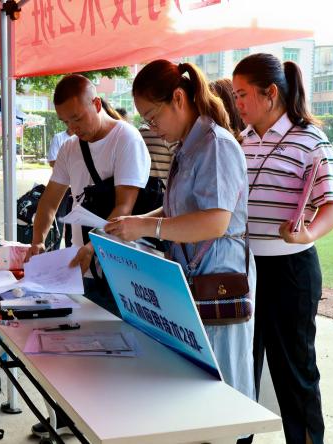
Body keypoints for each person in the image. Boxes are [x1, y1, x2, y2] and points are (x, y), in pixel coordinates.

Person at [105, 61, 257, 435]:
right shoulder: (189, 145)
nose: (152, 128)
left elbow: (215, 221)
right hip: (193, 275)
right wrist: (135, 223)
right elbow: (178, 209)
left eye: (153, 117)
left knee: (222, 384)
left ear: (178, 98)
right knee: (196, 382)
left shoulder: (215, 145)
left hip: (217, 278)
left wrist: (147, 226)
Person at [25, 74, 150, 439]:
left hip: (122, 267)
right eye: (65, 121)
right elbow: (49, 202)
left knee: (118, 353)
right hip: (82, 268)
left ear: (96, 103)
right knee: (79, 347)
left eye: (77, 118)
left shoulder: (126, 139)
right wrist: (37, 242)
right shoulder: (69, 148)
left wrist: (96, 244)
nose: (73, 128)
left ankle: (116, 426)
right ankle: (71, 417)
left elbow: (125, 207)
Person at [232, 53, 333, 444]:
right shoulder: (241, 141)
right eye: (235, 95)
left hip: (291, 271)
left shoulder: (311, 140)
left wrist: (307, 234)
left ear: (271, 93)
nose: (237, 103)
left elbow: (332, 205)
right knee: (241, 367)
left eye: (242, 94)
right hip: (242, 269)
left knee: (294, 372)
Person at [47, 128, 74, 248]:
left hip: (78, 188)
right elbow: (52, 161)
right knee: (59, 220)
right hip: (63, 187)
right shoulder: (59, 138)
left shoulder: (83, 138)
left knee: (74, 224)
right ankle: (56, 249)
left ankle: (71, 250)